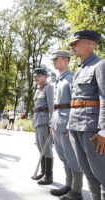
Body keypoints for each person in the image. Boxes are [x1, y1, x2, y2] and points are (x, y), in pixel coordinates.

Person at [68, 30, 105, 200]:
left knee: (102, 174)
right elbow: (75, 101)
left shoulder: (100, 65)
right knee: (88, 173)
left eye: (76, 42)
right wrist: (70, 125)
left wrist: (103, 130)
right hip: (76, 126)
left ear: (90, 43)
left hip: (92, 128)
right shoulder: (79, 69)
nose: (72, 46)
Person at [50, 50, 83, 200]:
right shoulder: (58, 79)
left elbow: (75, 104)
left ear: (65, 59)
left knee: (72, 158)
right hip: (57, 122)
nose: (53, 61)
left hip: (67, 123)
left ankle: (76, 191)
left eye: (56, 59)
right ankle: (68, 185)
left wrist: (71, 124)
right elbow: (55, 106)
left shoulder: (71, 78)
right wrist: (52, 124)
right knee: (63, 157)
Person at [31, 68, 54, 185]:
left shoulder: (49, 88)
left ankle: (49, 176)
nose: (36, 78)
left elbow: (51, 107)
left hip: (45, 122)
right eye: (34, 76)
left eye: (38, 76)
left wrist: (51, 124)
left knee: (46, 148)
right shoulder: (38, 90)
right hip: (37, 121)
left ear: (45, 76)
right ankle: (43, 172)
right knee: (40, 148)